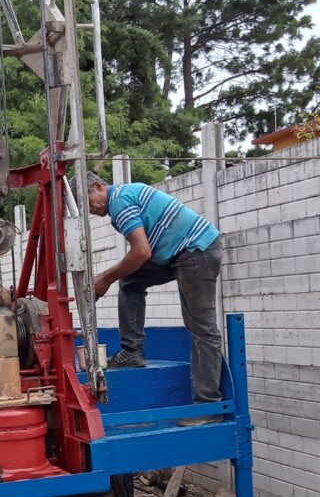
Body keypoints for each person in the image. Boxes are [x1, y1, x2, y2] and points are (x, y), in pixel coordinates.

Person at [80, 172, 225, 424]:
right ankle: (132, 351)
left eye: (87, 201)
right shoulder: (122, 198)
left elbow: (141, 252)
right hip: (179, 254)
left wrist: (104, 278)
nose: (89, 210)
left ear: (97, 186)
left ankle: (208, 404)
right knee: (131, 280)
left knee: (201, 327)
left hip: (196, 251)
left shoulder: (119, 203)